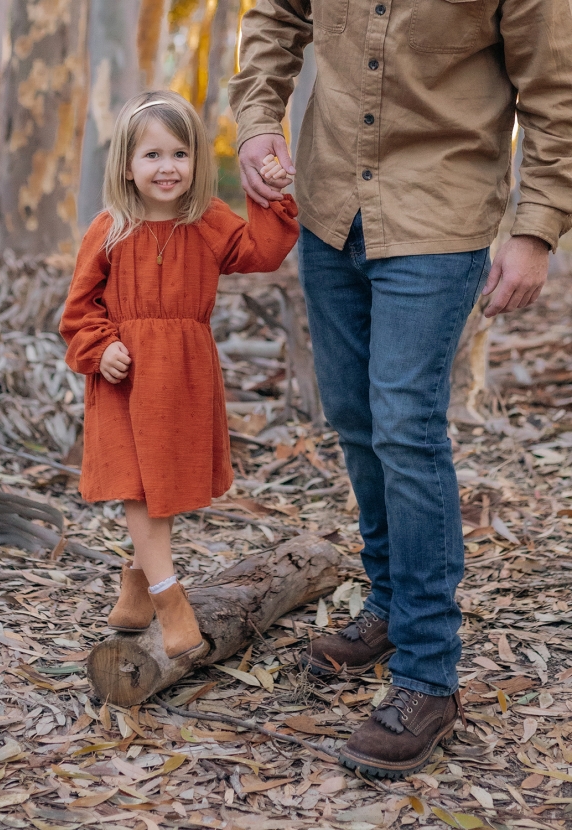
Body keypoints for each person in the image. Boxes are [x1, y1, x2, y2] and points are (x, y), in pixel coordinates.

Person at [229, 0, 572, 777]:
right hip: (327, 204)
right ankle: (388, 603)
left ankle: (428, 672)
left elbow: (555, 95)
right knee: (353, 415)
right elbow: (276, 16)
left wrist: (535, 228)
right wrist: (256, 121)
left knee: (406, 429)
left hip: (437, 212)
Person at [60, 91, 299, 661]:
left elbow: (263, 252)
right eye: (152, 155)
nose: (167, 168)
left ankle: (136, 585)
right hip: (124, 375)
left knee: (161, 486)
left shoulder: (208, 221)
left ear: (195, 161)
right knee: (136, 486)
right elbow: (76, 311)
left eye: (180, 154)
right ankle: (170, 599)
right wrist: (100, 348)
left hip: (183, 375)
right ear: (126, 164)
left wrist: (270, 191)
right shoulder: (109, 229)